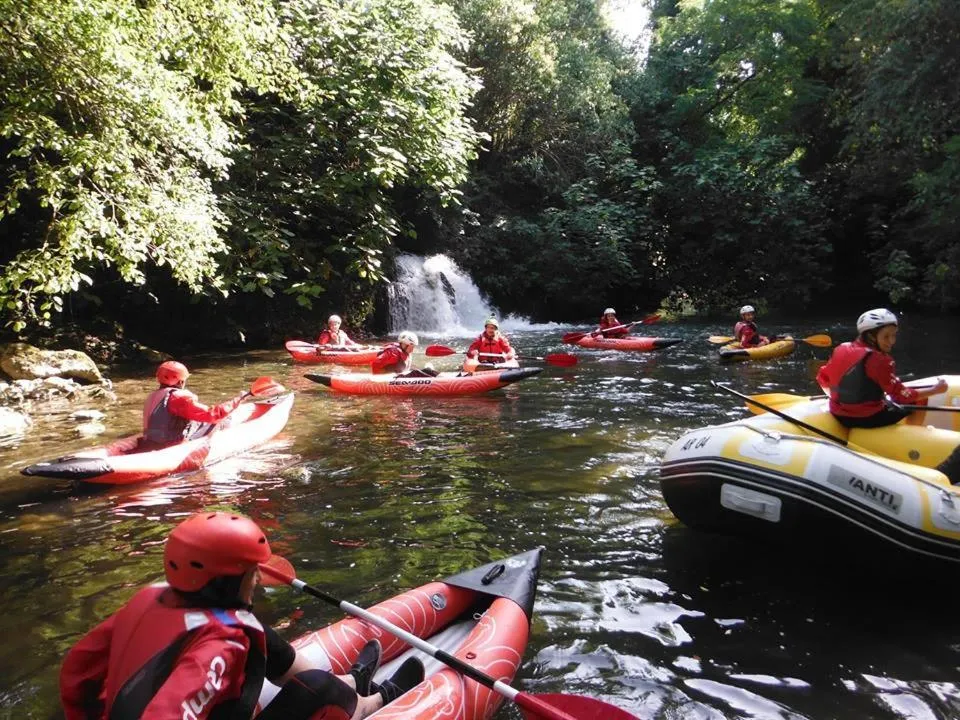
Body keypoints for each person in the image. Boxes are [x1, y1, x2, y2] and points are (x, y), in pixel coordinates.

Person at [60, 511, 424, 720]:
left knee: (256, 631)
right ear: (236, 578)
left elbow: (76, 673)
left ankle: (353, 682)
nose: (258, 580)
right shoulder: (219, 646)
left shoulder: (148, 597)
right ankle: (374, 702)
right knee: (320, 688)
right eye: (254, 573)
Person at [816, 308, 947, 429]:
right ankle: (913, 437)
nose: (891, 341)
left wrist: (845, 399)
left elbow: (822, 378)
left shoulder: (841, 348)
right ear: (871, 336)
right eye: (886, 336)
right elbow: (901, 397)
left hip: (838, 414)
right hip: (866, 418)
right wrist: (935, 390)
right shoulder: (881, 360)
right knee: (919, 400)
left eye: (894, 335)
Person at [141, 361, 251, 450]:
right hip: (171, 445)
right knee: (222, 419)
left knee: (197, 420)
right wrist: (239, 400)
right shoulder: (178, 398)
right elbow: (212, 415)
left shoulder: (154, 395)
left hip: (151, 441)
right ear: (180, 381)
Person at [370, 332, 436, 377]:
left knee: (427, 370)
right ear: (405, 344)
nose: (412, 350)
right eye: (411, 347)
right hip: (392, 379)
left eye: (413, 347)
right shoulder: (393, 352)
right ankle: (435, 379)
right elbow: (375, 364)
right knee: (416, 372)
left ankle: (438, 376)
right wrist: (380, 378)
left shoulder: (406, 352)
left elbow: (405, 368)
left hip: (400, 377)